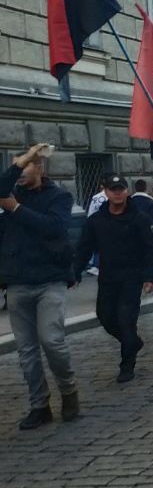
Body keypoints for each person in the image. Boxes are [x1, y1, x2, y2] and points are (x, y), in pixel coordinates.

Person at [0, 144, 77, 429]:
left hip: (50, 279)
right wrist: (19, 163)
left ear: (40, 168)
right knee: (26, 350)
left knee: (52, 341)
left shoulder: (59, 196)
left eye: (28, 165)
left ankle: (69, 392)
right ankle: (39, 405)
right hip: (18, 280)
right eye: (19, 166)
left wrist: (17, 210)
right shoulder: (11, 192)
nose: (21, 171)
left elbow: (54, 227)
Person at [74, 173, 153, 384]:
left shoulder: (139, 218)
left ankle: (127, 365)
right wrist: (73, 273)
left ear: (126, 191)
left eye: (121, 188)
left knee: (126, 320)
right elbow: (84, 248)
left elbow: (152, 249)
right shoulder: (96, 221)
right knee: (106, 318)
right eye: (113, 189)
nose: (118, 193)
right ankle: (132, 343)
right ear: (106, 191)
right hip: (108, 278)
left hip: (132, 278)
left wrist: (151, 276)